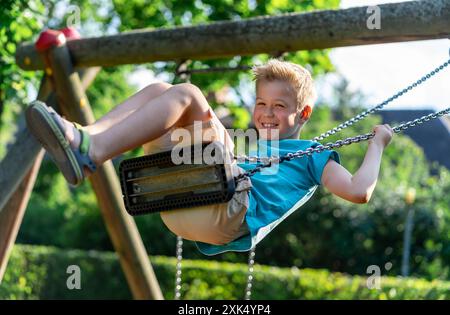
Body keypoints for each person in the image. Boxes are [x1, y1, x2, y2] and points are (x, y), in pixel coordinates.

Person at [26, 59, 393, 255]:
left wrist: (377, 144)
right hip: (180, 199)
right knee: (159, 89)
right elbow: (217, 143)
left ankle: (92, 154)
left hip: (227, 209)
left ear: (305, 113)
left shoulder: (314, 155)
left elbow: (359, 191)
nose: (266, 113)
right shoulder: (251, 143)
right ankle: (85, 137)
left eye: (279, 107)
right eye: (261, 103)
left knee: (186, 93)